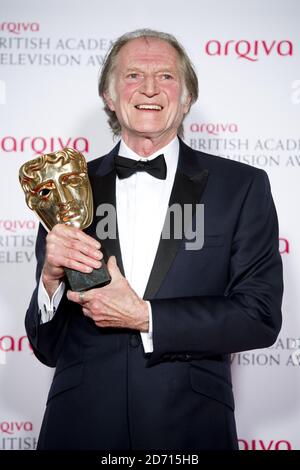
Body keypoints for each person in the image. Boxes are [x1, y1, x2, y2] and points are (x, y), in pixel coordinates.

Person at [25, 29, 283, 450]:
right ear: (110, 97)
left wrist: (147, 317)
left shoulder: (242, 187)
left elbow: (259, 316)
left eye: (165, 76)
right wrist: (51, 281)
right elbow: (48, 347)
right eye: (132, 76)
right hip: (80, 428)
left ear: (187, 98)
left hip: (192, 430)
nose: (148, 88)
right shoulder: (66, 186)